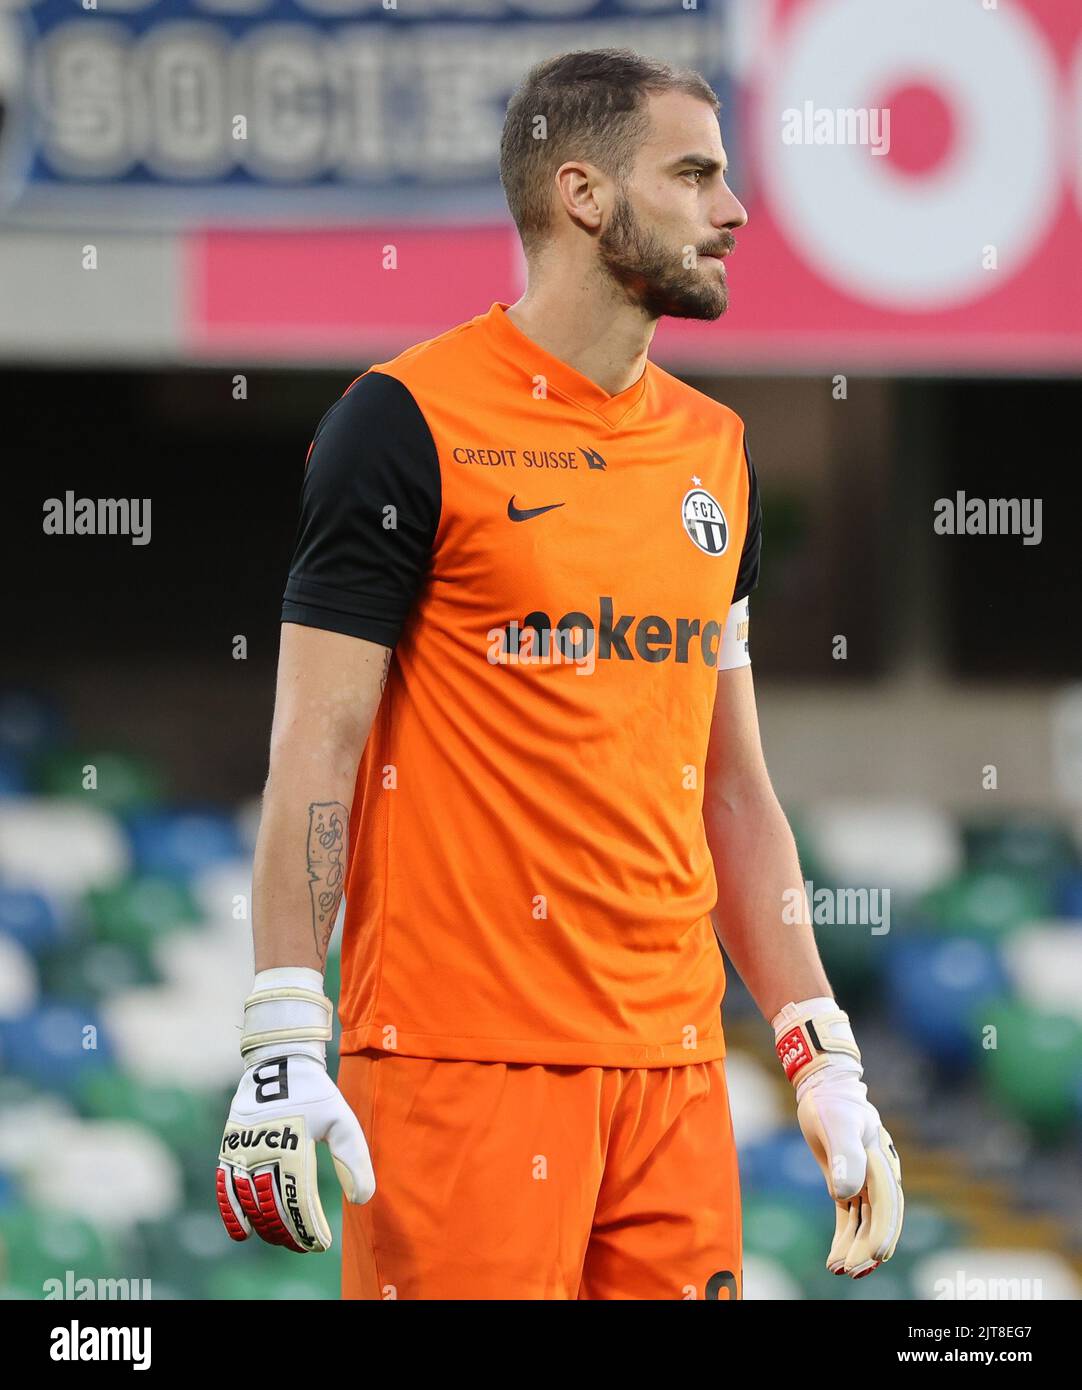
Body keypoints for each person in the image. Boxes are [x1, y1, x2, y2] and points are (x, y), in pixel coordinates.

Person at [216, 47, 902, 1300]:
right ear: (583, 196)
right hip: (454, 1069)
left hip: (674, 1078)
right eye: (693, 175)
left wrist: (820, 1054)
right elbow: (314, 746)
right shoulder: (403, 421)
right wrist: (279, 1026)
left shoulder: (718, 452)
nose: (733, 211)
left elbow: (731, 789)